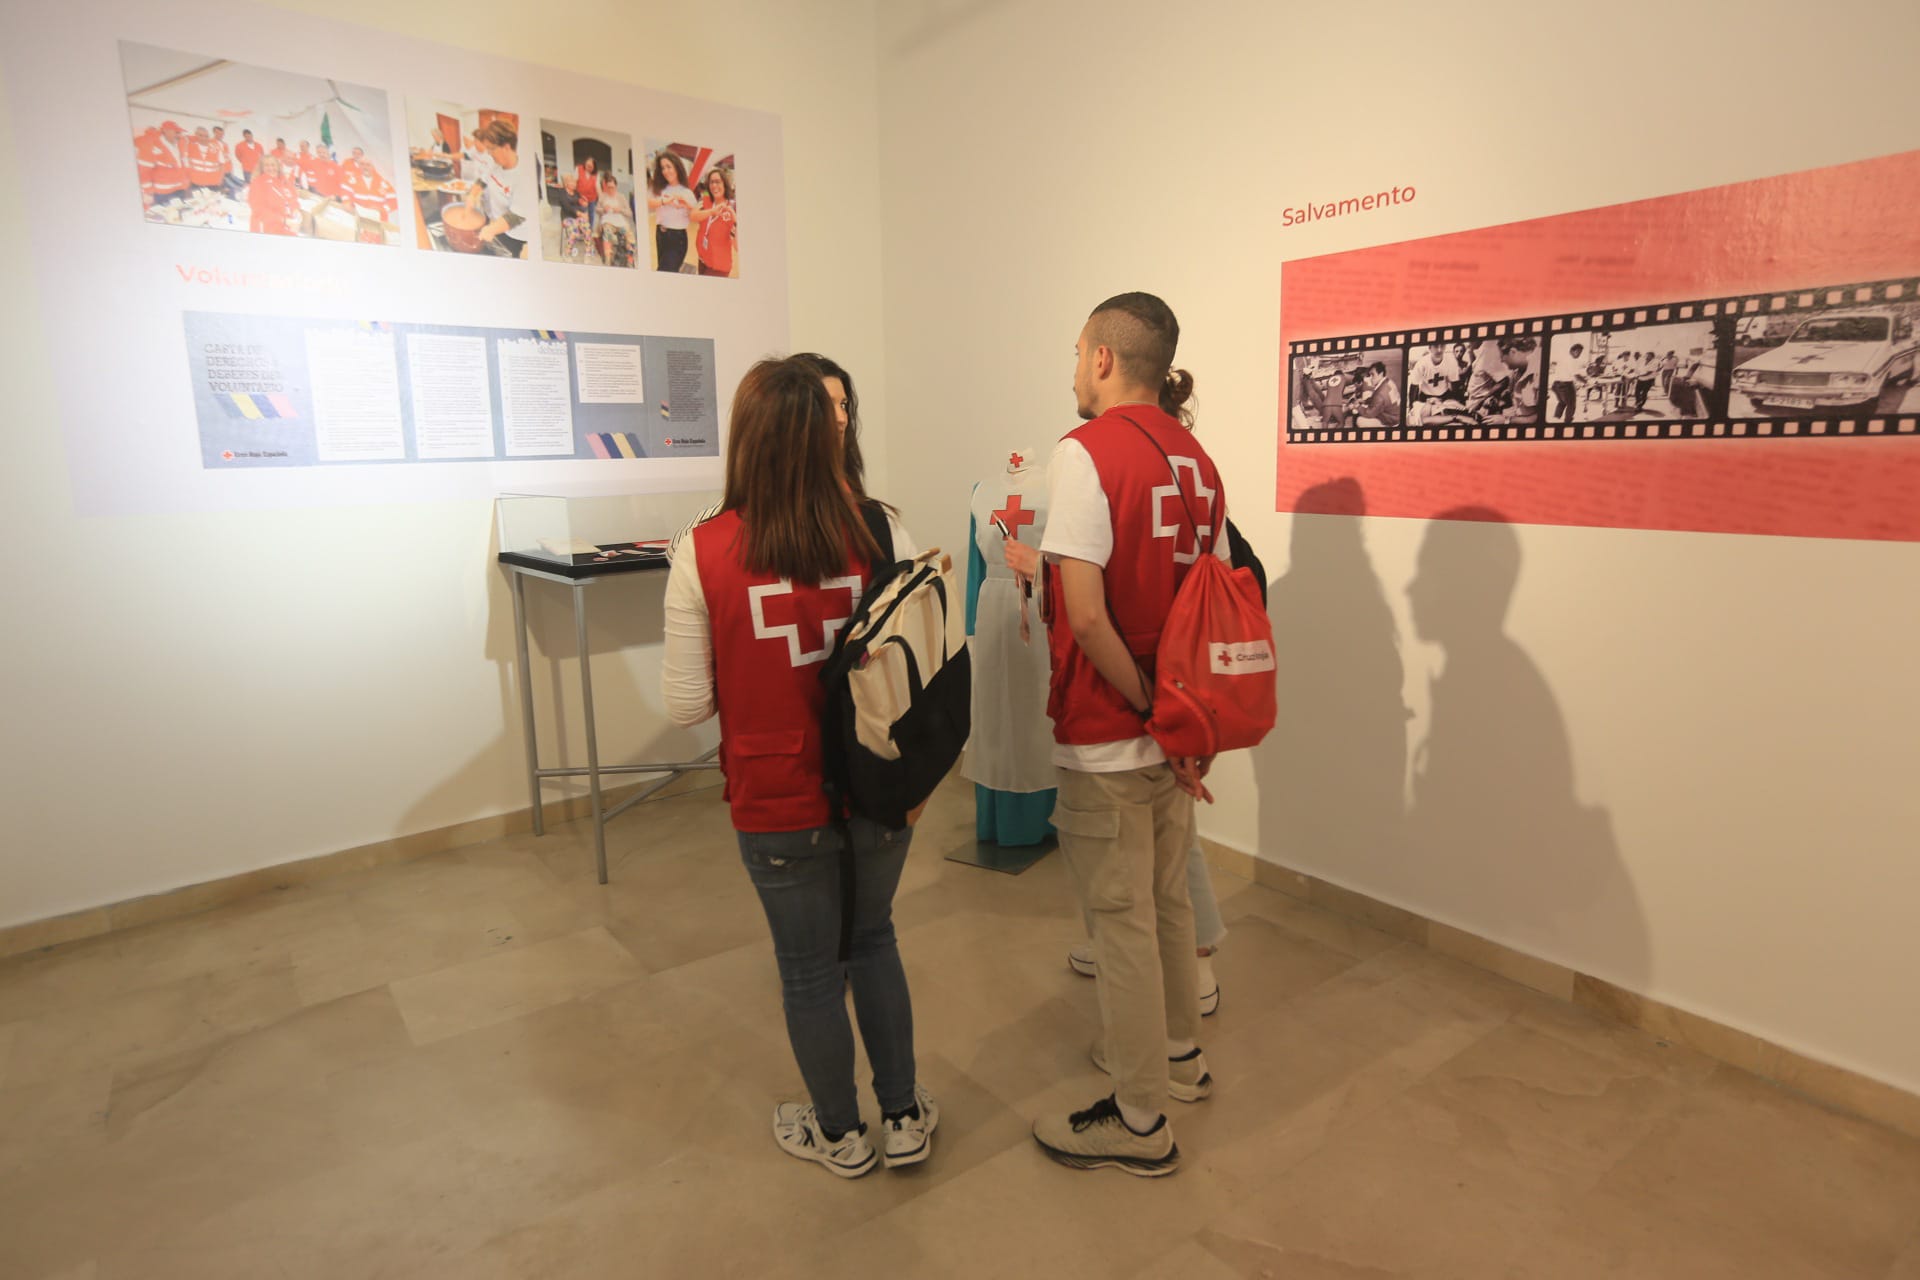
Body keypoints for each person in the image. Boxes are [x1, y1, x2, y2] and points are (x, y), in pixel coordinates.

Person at [661, 357, 937, 1180]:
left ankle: (841, 1135)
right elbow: (923, 660)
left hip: (775, 794)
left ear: (744, 440)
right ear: (829, 433)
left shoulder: (701, 550)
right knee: (875, 939)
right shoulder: (885, 531)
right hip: (879, 784)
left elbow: (685, 707)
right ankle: (905, 1117)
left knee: (810, 970)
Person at [1030, 292, 1225, 1177]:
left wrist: (1143, 704)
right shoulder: (1199, 460)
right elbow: (1203, 609)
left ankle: (1140, 1119)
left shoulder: (1084, 455)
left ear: (1105, 359)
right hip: (1176, 730)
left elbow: (1084, 611)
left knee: (1121, 924)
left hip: (1113, 728)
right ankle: (1180, 1056)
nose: (1073, 368)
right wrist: (1178, 720)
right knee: (1167, 904)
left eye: (1077, 352)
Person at [464, 119, 533, 258]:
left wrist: (490, 229)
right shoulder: (493, 162)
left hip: (514, 233)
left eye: (491, 148)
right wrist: (472, 195)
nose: (488, 153)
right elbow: (482, 181)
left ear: (506, 147)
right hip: (495, 222)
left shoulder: (524, 176)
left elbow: (515, 216)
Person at [647, 150, 695, 272]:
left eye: (669, 167)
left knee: (664, 272)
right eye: (663, 168)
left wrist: (686, 204)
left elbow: (694, 215)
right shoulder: (659, 187)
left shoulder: (686, 192)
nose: (665, 171)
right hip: (660, 234)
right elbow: (649, 202)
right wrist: (664, 201)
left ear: (677, 167)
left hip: (677, 238)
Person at [690, 165, 737, 277]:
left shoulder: (731, 209)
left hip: (718, 268)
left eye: (718, 182)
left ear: (725, 185)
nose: (714, 185)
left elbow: (737, 246)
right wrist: (711, 212)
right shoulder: (705, 201)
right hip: (703, 261)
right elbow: (693, 216)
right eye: (711, 182)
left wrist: (735, 220)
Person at [134, 120, 190, 208]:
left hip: (180, 189)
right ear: (165, 131)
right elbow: (143, 171)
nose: (179, 135)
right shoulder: (152, 145)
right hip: (163, 193)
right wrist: (148, 192)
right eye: (176, 132)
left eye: (180, 133)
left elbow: (182, 165)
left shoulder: (179, 144)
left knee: (181, 213)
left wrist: (185, 182)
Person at [246, 154, 300, 235]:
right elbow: (259, 209)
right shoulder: (257, 183)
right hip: (266, 229)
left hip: (287, 227)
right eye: (267, 165)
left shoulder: (285, 182)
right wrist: (283, 220)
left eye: (273, 165)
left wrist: (296, 211)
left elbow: (293, 200)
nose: (271, 168)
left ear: (278, 167)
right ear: (262, 168)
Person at [594, 173, 636, 266]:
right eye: (608, 187)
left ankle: (630, 259)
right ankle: (608, 259)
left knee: (630, 236)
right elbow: (597, 210)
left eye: (612, 187)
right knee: (607, 233)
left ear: (616, 186)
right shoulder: (603, 196)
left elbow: (629, 213)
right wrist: (603, 209)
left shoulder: (621, 197)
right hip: (608, 222)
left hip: (620, 222)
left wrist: (620, 210)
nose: (610, 189)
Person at [1549, 341, 1588, 423]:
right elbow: (1576, 375)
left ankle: (1555, 419)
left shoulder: (1564, 358)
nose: (1579, 354)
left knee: (1562, 402)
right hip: (1565, 385)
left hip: (1556, 385)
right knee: (1571, 405)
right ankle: (1568, 422)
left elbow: (1569, 372)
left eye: (1580, 352)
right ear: (1572, 351)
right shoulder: (1572, 360)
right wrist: (1586, 381)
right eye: (1578, 352)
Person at [1355, 361, 1402, 428]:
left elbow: (1369, 413)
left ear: (1381, 374)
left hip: (1392, 420)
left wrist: (1357, 406)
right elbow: (1376, 398)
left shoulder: (1380, 393)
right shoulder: (1388, 381)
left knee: (1359, 420)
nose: (1370, 378)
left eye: (1373, 375)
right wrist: (1365, 401)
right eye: (1369, 375)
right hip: (1396, 413)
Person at [574, 155, 599, 223]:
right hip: (580, 196)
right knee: (581, 214)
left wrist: (601, 198)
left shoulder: (596, 174)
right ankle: (580, 229)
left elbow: (597, 186)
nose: (588, 167)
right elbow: (574, 181)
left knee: (591, 214)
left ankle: (590, 230)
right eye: (587, 165)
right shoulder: (579, 168)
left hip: (591, 197)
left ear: (594, 167)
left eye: (590, 167)